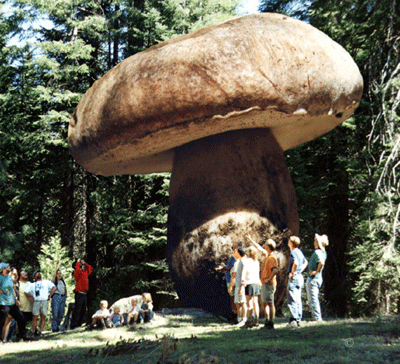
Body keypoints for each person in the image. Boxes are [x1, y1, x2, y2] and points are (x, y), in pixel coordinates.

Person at [248, 235, 278, 329]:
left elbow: (275, 270)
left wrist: (268, 279)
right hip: (265, 283)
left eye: (265, 245)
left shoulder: (272, 258)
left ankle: (271, 322)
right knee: (265, 303)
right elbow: (260, 248)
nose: (264, 246)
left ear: (268, 247)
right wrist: (251, 240)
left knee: (270, 303)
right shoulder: (267, 255)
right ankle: (267, 321)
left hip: (269, 284)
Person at [0, 262, 28, 342]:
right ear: (4, 269)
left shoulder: (9, 278)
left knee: (21, 318)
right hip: (3, 304)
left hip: (12, 303)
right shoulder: (0, 278)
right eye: (8, 267)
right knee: (1, 322)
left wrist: (16, 299)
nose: (9, 268)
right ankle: (1, 339)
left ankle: (22, 336)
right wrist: (4, 291)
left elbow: (12, 289)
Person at [215, 240, 242, 322]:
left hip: (232, 280)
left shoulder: (237, 256)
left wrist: (224, 268)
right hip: (230, 279)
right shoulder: (234, 256)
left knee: (235, 299)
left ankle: (237, 316)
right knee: (232, 298)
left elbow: (235, 268)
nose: (232, 245)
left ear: (237, 246)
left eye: (234, 244)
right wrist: (224, 267)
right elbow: (231, 267)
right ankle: (234, 314)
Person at [24, 270, 56, 336]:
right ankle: (33, 332)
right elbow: (25, 292)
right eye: (36, 274)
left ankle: (41, 331)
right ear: (34, 277)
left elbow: (54, 287)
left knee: (43, 316)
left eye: (38, 273)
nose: (38, 274)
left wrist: (50, 295)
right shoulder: (32, 285)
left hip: (44, 301)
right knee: (35, 317)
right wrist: (32, 296)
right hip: (36, 301)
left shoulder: (46, 282)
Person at [306, 233, 329, 322]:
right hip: (318, 279)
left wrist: (316, 271)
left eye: (316, 241)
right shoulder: (323, 252)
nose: (314, 242)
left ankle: (317, 318)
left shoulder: (317, 252)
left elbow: (321, 262)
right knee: (313, 298)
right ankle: (316, 317)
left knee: (313, 298)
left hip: (313, 279)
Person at [287, 236, 308, 327]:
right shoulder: (299, 252)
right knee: (298, 298)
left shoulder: (293, 252)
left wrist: (292, 272)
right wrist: (300, 271)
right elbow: (305, 262)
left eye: (289, 241)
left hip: (294, 278)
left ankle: (294, 320)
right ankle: (298, 319)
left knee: (292, 298)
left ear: (292, 243)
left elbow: (295, 262)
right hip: (300, 277)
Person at [242, 246, 261, 327]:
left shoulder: (247, 261)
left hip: (249, 283)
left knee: (249, 303)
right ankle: (256, 320)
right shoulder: (256, 262)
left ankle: (249, 320)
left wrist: (242, 280)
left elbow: (244, 271)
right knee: (255, 302)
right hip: (256, 283)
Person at [70, 259, 93, 329]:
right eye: (80, 266)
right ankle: (74, 325)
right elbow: (77, 270)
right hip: (79, 294)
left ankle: (79, 324)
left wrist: (84, 263)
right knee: (78, 309)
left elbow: (90, 268)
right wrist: (77, 263)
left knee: (83, 310)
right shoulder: (77, 273)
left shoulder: (85, 272)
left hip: (84, 294)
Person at [229, 246, 247, 327]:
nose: (234, 253)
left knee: (241, 302)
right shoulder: (239, 262)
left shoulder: (240, 262)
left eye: (236, 252)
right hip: (239, 285)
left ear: (239, 253)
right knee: (238, 302)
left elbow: (234, 276)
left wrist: (231, 286)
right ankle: (240, 319)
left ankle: (242, 318)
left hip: (239, 285)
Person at [51, 261, 67, 332]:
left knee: (61, 313)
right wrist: (56, 266)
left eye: (60, 273)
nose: (59, 274)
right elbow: (54, 275)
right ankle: (54, 328)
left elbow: (65, 288)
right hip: (56, 297)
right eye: (58, 273)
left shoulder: (62, 281)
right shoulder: (54, 281)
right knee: (55, 313)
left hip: (62, 297)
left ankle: (57, 326)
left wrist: (66, 295)